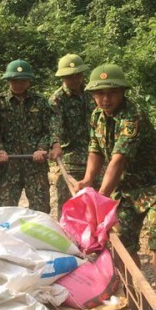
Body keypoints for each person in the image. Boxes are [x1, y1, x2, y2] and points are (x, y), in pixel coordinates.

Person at [75, 63, 156, 310]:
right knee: (123, 242)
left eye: (111, 92)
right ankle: (136, 298)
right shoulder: (97, 116)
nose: (105, 99)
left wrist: (101, 195)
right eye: (99, 94)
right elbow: (96, 150)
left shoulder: (133, 116)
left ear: (122, 92)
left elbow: (118, 159)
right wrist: (88, 179)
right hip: (128, 189)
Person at [0, 59, 61, 214]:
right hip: (8, 164)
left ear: (29, 81)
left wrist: (42, 148)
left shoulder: (40, 102)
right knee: (6, 210)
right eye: (14, 80)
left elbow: (48, 129)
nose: (18, 84)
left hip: (35, 164)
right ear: (8, 80)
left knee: (40, 209)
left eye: (23, 80)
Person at [49, 53, 93, 215]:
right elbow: (54, 125)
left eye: (77, 75)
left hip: (95, 157)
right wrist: (55, 144)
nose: (74, 80)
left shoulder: (92, 94)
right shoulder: (57, 99)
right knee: (68, 205)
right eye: (69, 77)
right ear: (62, 77)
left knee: (98, 202)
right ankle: (68, 239)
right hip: (70, 160)